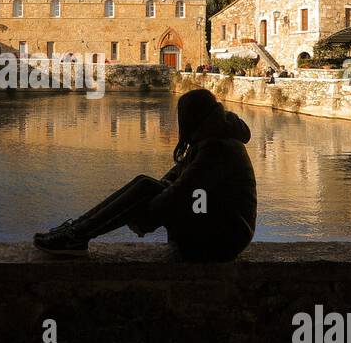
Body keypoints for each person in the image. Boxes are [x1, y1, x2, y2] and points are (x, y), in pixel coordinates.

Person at [34, 88, 257, 261]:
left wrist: (146, 217)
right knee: (146, 184)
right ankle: (76, 231)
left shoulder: (219, 148)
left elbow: (183, 191)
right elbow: (174, 178)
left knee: (146, 187)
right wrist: (142, 206)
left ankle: (75, 236)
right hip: (216, 230)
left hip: (221, 240)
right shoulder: (211, 138)